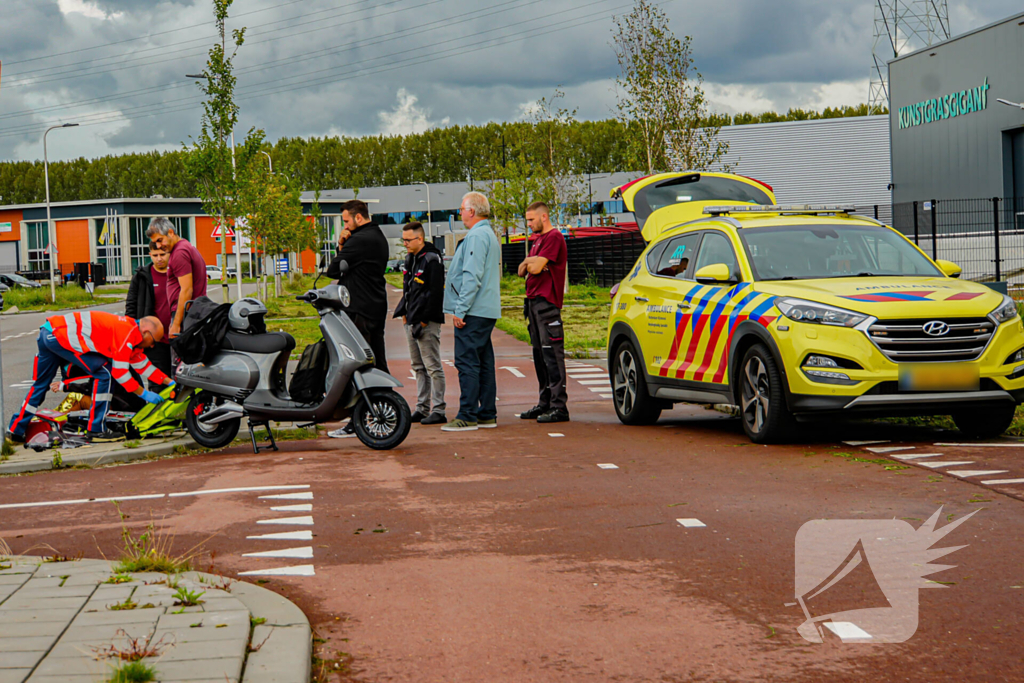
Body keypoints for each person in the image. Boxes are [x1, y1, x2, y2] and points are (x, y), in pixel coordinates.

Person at [7, 312, 172, 443]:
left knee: (40, 385)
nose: (152, 346)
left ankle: (15, 429)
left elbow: (144, 366)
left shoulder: (129, 332)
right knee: (105, 373)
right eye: (153, 341)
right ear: (146, 332)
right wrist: (143, 393)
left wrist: (170, 383)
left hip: (48, 331)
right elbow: (120, 373)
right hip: (61, 337)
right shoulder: (127, 334)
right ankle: (96, 429)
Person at [325, 199, 390, 438]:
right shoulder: (379, 236)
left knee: (356, 364)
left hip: (359, 309)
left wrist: (341, 244)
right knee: (377, 361)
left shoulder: (359, 240)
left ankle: (358, 421)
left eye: (346, 221)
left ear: (358, 218)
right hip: (376, 306)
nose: (345, 225)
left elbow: (333, 270)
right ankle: (387, 411)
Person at [441, 191, 501, 433]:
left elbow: (471, 276)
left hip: (473, 310)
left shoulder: (476, 236)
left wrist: (460, 310)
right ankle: (487, 413)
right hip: (486, 309)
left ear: (472, 211)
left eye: (462, 209)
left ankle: (467, 415)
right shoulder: (488, 234)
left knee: (466, 362)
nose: (460, 213)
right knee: (484, 362)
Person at [518, 202, 569, 423]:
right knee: (539, 355)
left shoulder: (554, 238)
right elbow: (521, 270)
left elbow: (535, 269)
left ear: (544, 217)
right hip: (532, 303)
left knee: (552, 355)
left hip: (547, 304)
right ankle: (544, 403)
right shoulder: (537, 242)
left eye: (531, 220)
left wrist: (532, 263)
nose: (528, 224)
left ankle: (559, 407)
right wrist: (531, 261)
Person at [393, 222, 446, 425]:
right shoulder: (410, 259)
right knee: (418, 366)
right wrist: (405, 314)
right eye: (403, 240)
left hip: (426, 321)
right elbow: (408, 288)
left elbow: (435, 293)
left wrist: (424, 320)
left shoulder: (432, 259)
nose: (405, 243)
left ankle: (439, 409)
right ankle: (422, 408)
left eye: (408, 240)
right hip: (411, 319)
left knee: (432, 365)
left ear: (420, 238)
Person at [146, 217, 207, 341]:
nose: (158, 246)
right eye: (155, 242)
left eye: (160, 240)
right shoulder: (185, 246)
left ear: (170, 233)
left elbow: (186, 290)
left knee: (180, 359)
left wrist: (176, 324)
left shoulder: (180, 253)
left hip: (188, 315)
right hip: (192, 313)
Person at [126, 241, 173, 383]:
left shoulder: (179, 275)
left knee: (179, 382)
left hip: (177, 338)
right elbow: (131, 307)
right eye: (155, 255)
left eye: (163, 254)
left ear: (170, 254)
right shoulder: (141, 277)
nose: (159, 258)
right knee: (157, 381)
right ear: (150, 255)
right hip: (153, 341)